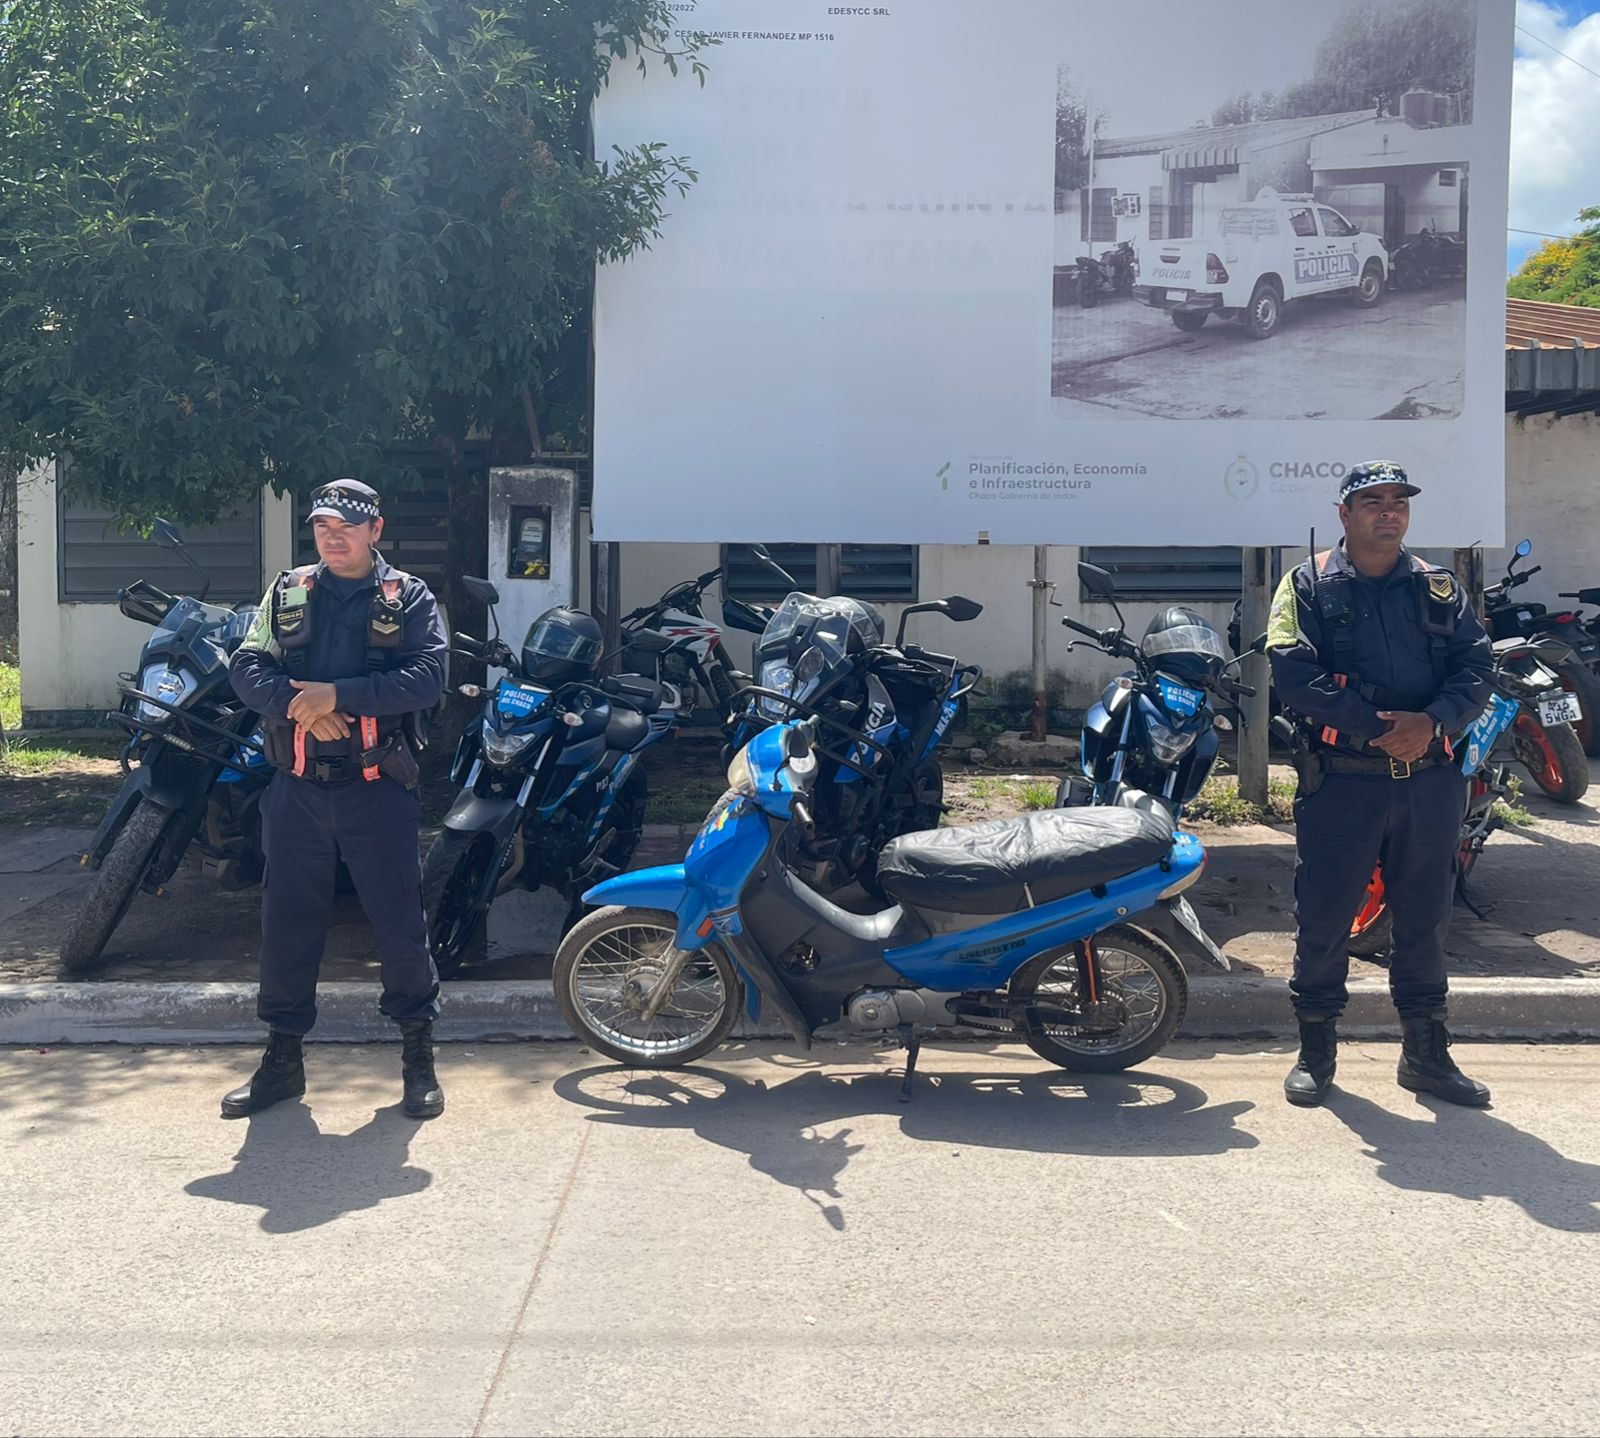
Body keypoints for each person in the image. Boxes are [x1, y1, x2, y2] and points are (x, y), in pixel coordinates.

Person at [1267, 461, 1494, 1109]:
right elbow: (1293, 674)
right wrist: (1379, 728)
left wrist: (1432, 723)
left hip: (1430, 782)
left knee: (1425, 919)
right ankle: (1316, 1050)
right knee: (1325, 916)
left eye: (1398, 501)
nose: (1388, 512)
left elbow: (1476, 666)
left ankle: (1426, 1055)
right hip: (1344, 782)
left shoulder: (1438, 587)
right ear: (1345, 514)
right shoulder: (1306, 584)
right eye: (1372, 501)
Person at [222, 480, 449, 1119]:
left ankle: (418, 1060)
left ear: (375, 530)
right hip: (296, 791)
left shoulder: (408, 597)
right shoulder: (289, 591)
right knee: (286, 928)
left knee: (399, 926)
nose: (333, 536)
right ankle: (282, 1063)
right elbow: (246, 665)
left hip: (377, 791)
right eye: (323, 525)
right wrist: (303, 707)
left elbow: (428, 678)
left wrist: (338, 695)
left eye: (347, 526)